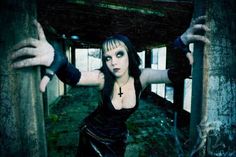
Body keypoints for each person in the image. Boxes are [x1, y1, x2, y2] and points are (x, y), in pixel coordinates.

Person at [10, 16, 210, 157]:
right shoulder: (102, 78)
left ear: (129, 54)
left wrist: (180, 44)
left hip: (117, 142)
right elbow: (75, 76)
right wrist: (56, 58)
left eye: (119, 54)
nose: (113, 62)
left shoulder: (144, 76)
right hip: (92, 138)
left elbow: (176, 75)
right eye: (107, 57)